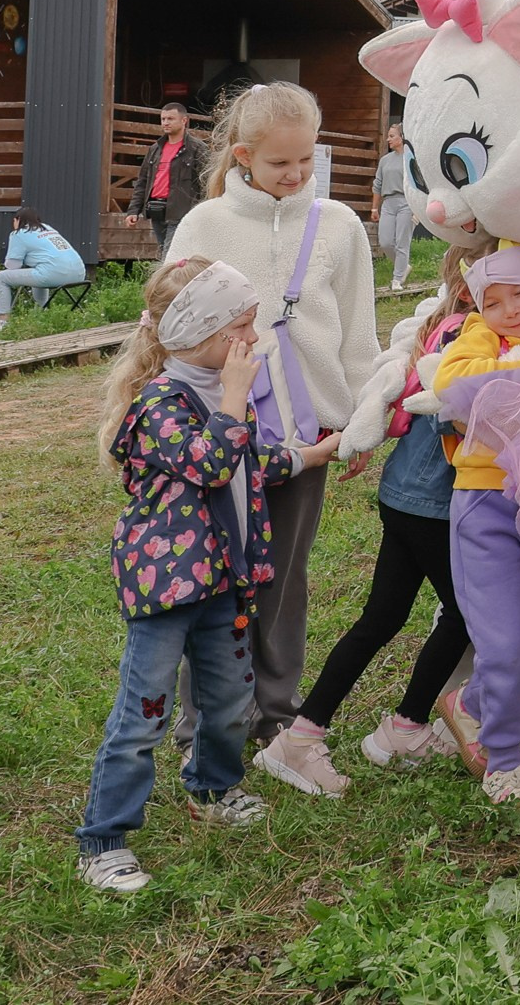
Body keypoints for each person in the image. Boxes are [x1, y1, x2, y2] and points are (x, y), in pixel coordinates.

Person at [74, 257, 340, 894]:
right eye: (241, 328)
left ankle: (214, 788)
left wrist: (313, 454)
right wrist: (234, 397)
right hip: (166, 588)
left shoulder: (218, 395)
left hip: (223, 581)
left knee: (227, 702)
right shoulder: (160, 403)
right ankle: (103, 840)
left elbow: (249, 462)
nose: (252, 339)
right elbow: (212, 464)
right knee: (145, 714)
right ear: (200, 333)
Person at [166, 82, 378, 749]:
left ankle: (275, 708)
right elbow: (171, 324)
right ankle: (205, 716)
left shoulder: (340, 226)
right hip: (222, 432)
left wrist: (360, 420)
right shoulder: (205, 226)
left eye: (306, 160)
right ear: (243, 156)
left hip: (309, 436)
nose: (295, 173)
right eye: (280, 162)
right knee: (214, 574)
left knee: (284, 576)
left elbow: (358, 332)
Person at [256, 247, 479, 798]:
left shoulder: (441, 326)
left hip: (404, 494)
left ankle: (302, 736)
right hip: (430, 502)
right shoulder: (465, 336)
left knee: (381, 617)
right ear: (471, 288)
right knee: (465, 613)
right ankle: (404, 727)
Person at [420, 244, 520, 805]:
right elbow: (455, 384)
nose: (509, 310)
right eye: (493, 300)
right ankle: (504, 762)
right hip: (485, 505)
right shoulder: (481, 336)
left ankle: (469, 704)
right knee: (506, 647)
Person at [125, 101, 207, 256]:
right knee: (165, 252)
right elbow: (142, 181)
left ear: (184, 120)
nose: (166, 123)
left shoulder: (197, 148)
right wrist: (133, 210)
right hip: (157, 209)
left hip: (181, 211)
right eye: (163, 119)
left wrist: (201, 211)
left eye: (170, 119)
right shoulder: (155, 149)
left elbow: (207, 182)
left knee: (169, 255)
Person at [0, 205, 87, 328]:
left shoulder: (18, 233)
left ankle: (2, 322)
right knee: (39, 270)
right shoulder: (48, 228)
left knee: (0, 278)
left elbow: (13, 265)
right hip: (79, 274)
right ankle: (43, 312)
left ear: (17, 220)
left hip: (54, 275)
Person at [375, 122, 415, 291]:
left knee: (402, 242)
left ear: (402, 137)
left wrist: (417, 209)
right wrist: (374, 208)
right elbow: (377, 184)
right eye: (388, 136)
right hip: (388, 203)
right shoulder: (385, 160)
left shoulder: (411, 159)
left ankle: (397, 279)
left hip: (407, 202)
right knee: (385, 242)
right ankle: (404, 266)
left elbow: (419, 184)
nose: (388, 139)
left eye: (392, 136)